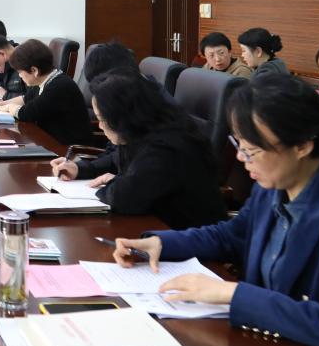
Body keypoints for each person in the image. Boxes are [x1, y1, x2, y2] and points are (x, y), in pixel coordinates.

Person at [110, 75, 319, 346]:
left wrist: (232, 294)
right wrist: (161, 243)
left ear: (303, 145)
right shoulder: (274, 185)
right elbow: (232, 235)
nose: (240, 158)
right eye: (239, 145)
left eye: (252, 150)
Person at [50, 70, 225, 229]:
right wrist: (81, 169)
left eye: (102, 119)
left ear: (122, 118)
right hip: (157, 227)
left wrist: (118, 182)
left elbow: (123, 198)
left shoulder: (166, 147)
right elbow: (115, 159)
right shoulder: (142, 130)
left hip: (187, 238)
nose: (100, 126)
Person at [0, 38, 89, 147]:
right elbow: (25, 99)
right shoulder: (45, 80)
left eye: (20, 72)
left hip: (68, 150)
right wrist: (0, 105)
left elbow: (26, 114)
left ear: (34, 71)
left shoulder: (59, 87)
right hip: (50, 141)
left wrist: (8, 107)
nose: (20, 76)